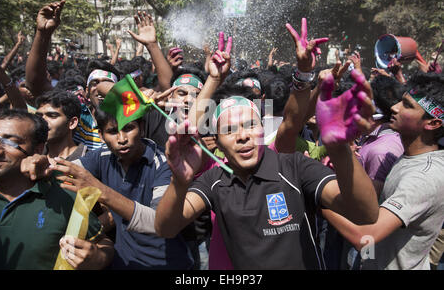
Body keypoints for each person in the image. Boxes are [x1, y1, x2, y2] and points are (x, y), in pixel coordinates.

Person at [154, 18, 380, 270]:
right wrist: (179, 181)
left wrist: (339, 149)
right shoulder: (214, 178)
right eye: (229, 129)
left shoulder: (295, 168)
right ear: (216, 141)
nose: (242, 135)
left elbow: (366, 215)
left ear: (263, 128)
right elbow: (166, 228)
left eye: (250, 125)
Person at [322, 71, 444, 270]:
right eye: (401, 101)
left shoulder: (424, 177)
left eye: (407, 106)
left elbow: (365, 236)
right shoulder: (411, 155)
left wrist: (318, 198)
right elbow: (381, 192)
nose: (394, 108)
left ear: (432, 123)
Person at [47, 109, 194, 270]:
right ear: (101, 135)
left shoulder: (164, 163)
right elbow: (63, 172)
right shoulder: (101, 156)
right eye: (112, 131)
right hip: (123, 262)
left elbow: (157, 222)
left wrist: (100, 190)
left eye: (129, 128)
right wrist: (43, 167)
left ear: (142, 128)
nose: (122, 139)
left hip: (166, 263)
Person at [0, 109, 114, 269]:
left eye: (10, 142)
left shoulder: (63, 189)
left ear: (37, 150)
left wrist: (98, 258)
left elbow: (101, 242)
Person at [35, 89, 88, 160]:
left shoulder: (89, 161)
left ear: (72, 123)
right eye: (39, 116)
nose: (42, 120)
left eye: (52, 115)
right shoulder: (31, 156)